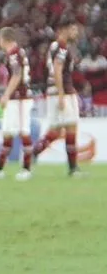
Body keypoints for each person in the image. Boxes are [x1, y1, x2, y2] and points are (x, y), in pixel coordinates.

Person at [33, 22, 84, 176]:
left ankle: (33, 154)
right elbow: (57, 69)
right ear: (63, 30)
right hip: (62, 93)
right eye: (73, 29)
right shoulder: (60, 47)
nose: (76, 32)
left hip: (59, 92)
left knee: (57, 130)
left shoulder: (57, 47)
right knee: (69, 127)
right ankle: (72, 168)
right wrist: (61, 94)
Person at [0, 28, 34, 180]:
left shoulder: (13, 54)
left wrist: (6, 94)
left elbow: (17, 75)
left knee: (23, 131)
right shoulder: (17, 53)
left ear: (3, 39)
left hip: (19, 98)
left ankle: (26, 169)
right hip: (16, 98)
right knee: (7, 133)